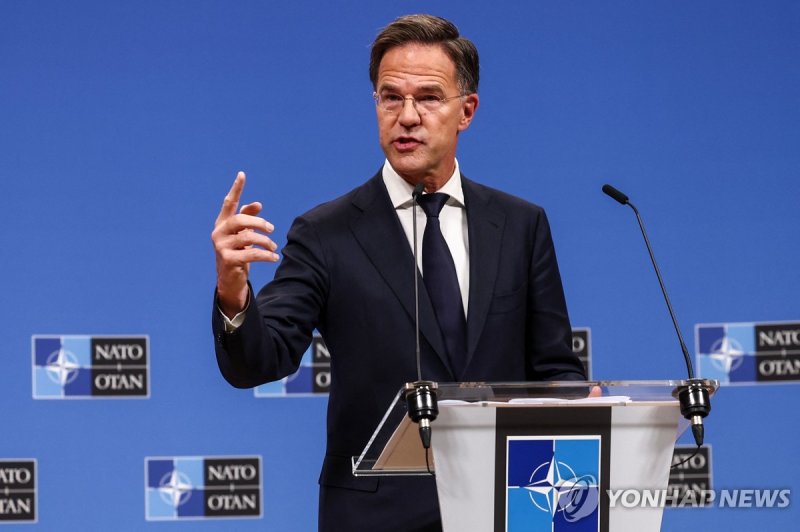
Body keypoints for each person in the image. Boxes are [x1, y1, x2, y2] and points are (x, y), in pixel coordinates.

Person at [211, 14, 586, 532]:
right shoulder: (327, 232)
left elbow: (556, 372)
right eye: (391, 97)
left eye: (429, 97)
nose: (407, 116)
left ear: (466, 111)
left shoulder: (521, 225)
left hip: (507, 509)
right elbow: (259, 360)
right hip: (374, 515)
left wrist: (582, 417)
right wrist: (234, 292)